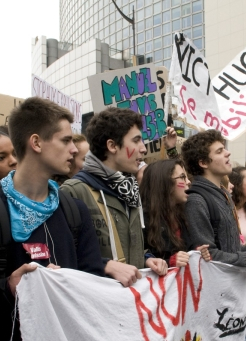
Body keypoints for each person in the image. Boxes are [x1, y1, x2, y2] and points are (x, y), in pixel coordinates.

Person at [0, 97, 106, 341]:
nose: (75, 149)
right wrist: (8, 287)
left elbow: (93, 279)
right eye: (66, 140)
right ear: (36, 142)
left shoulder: (74, 210)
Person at [60, 107, 167, 280]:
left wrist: (146, 259)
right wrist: (105, 266)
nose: (143, 149)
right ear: (112, 145)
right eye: (136, 140)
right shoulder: (74, 191)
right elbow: (64, 262)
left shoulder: (129, 190)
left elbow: (132, 248)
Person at [181, 130, 246, 274]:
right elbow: (208, 256)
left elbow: (230, 248)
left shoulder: (224, 195)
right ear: (203, 163)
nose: (228, 153)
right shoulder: (197, 201)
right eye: (220, 151)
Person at [140, 159, 210, 266]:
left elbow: (185, 252)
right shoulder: (143, 220)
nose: (188, 182)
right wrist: (169, 262)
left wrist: (197, 253)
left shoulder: (183, 214)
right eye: (182, 177)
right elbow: (137, 262)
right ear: (165, 183)